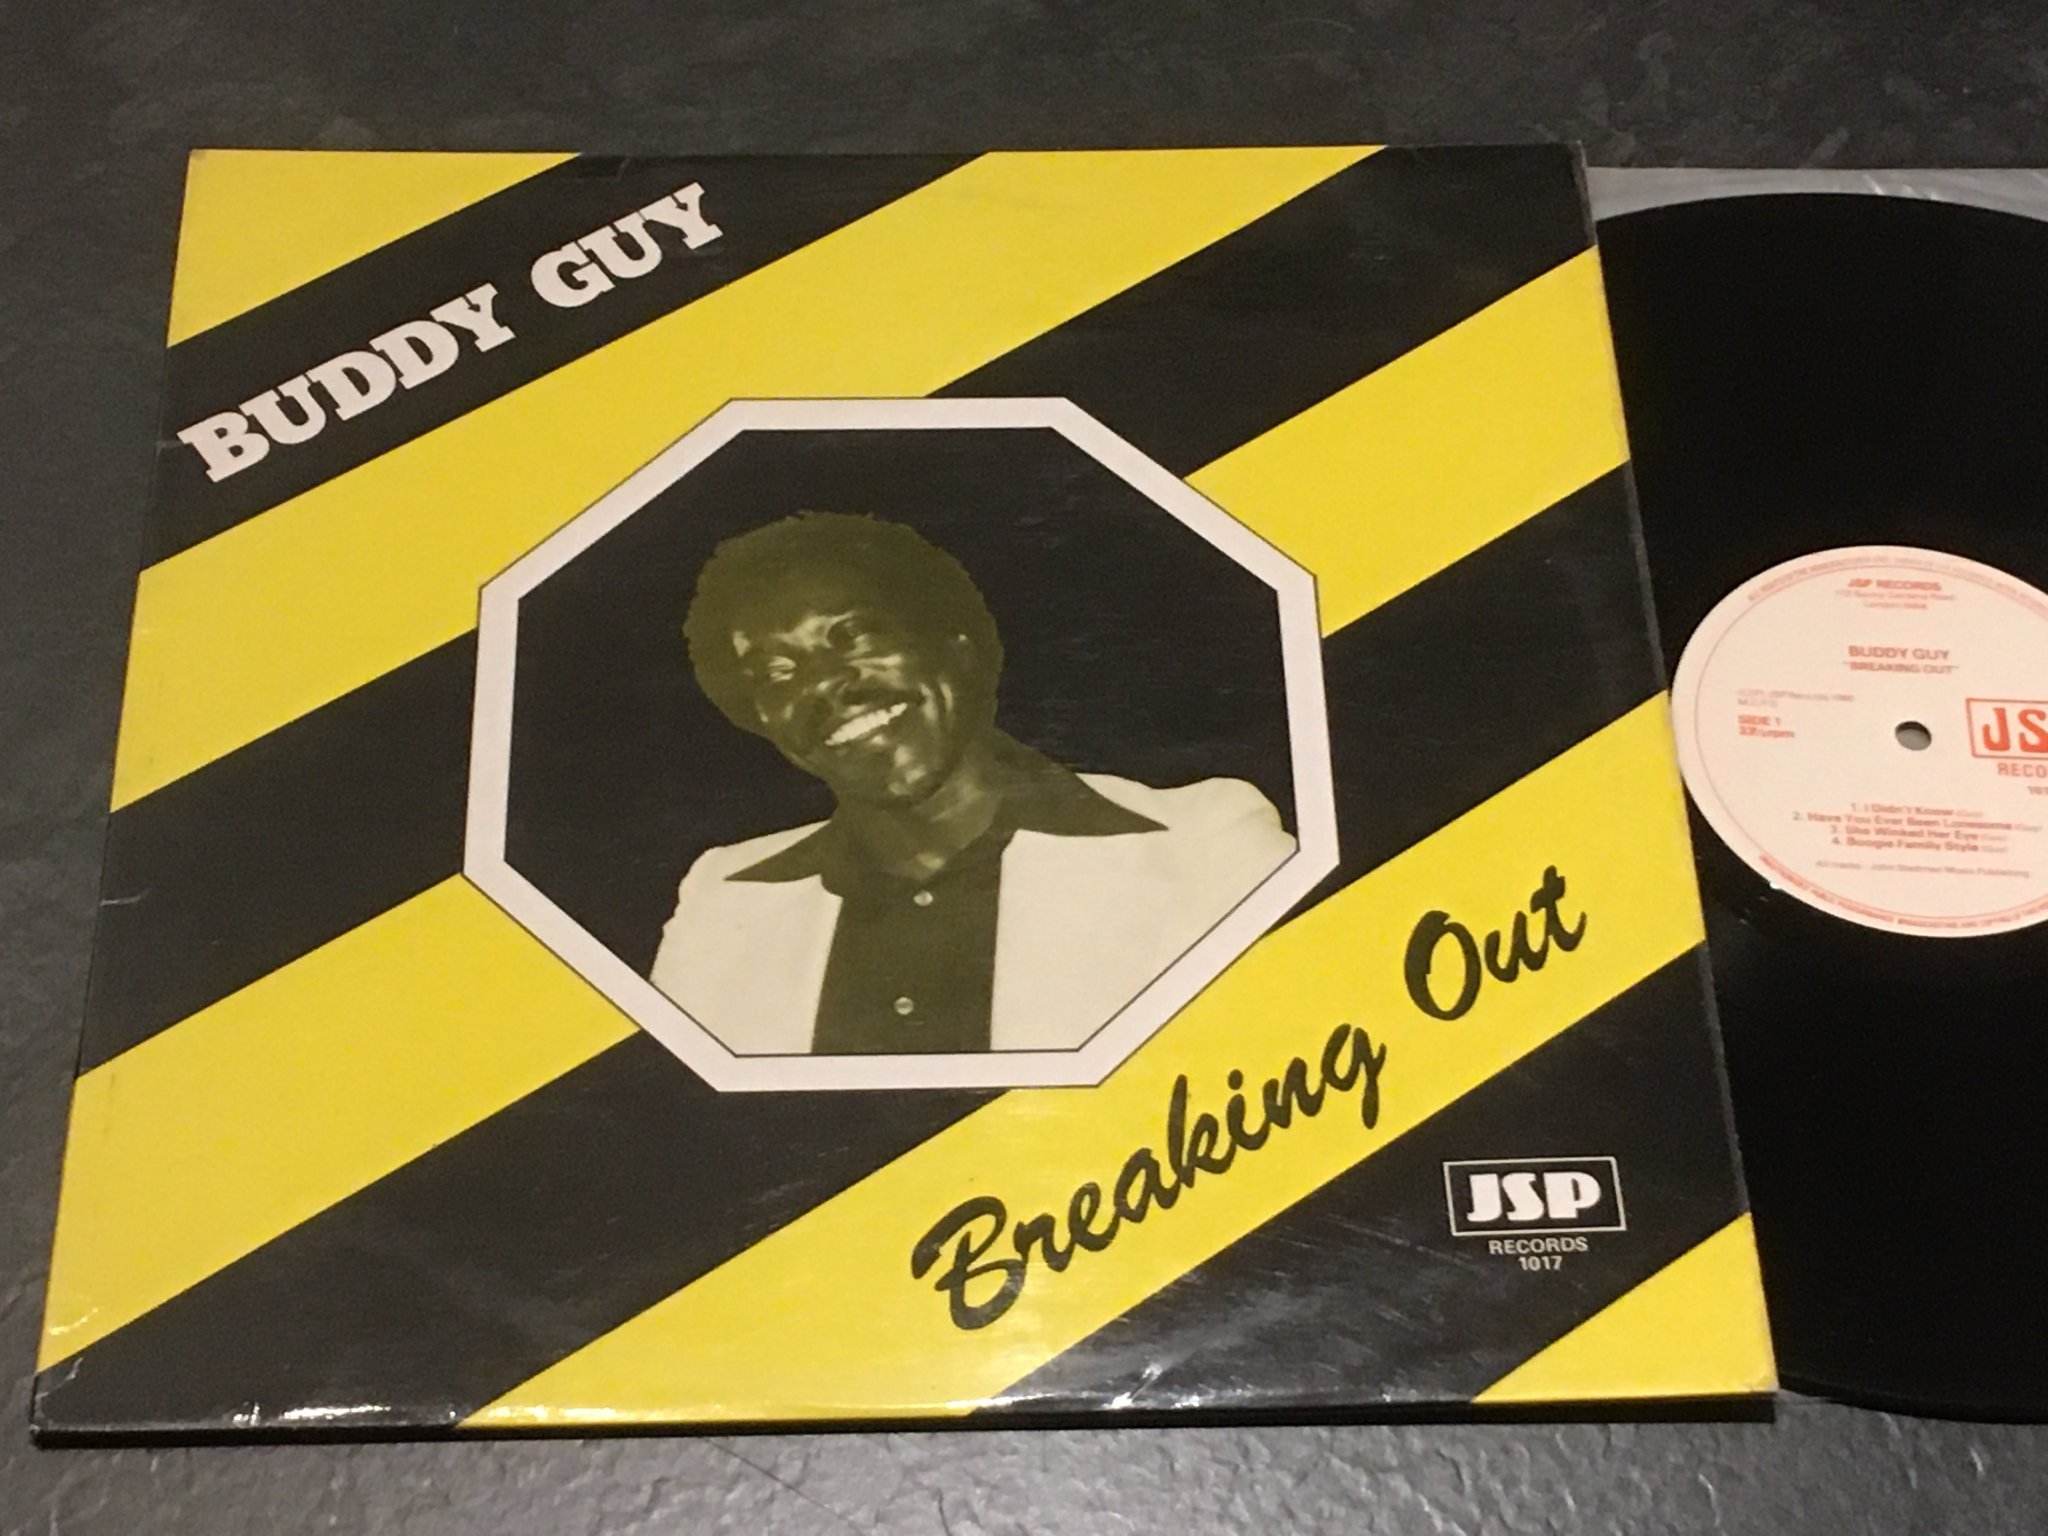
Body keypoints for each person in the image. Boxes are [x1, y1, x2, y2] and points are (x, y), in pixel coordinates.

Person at [650, 512, 1295, 1057]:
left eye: (855, 635)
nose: (824, 685)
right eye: (775, 672)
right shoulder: (719, 900)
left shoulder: (1203, 843)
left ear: (956, 644)